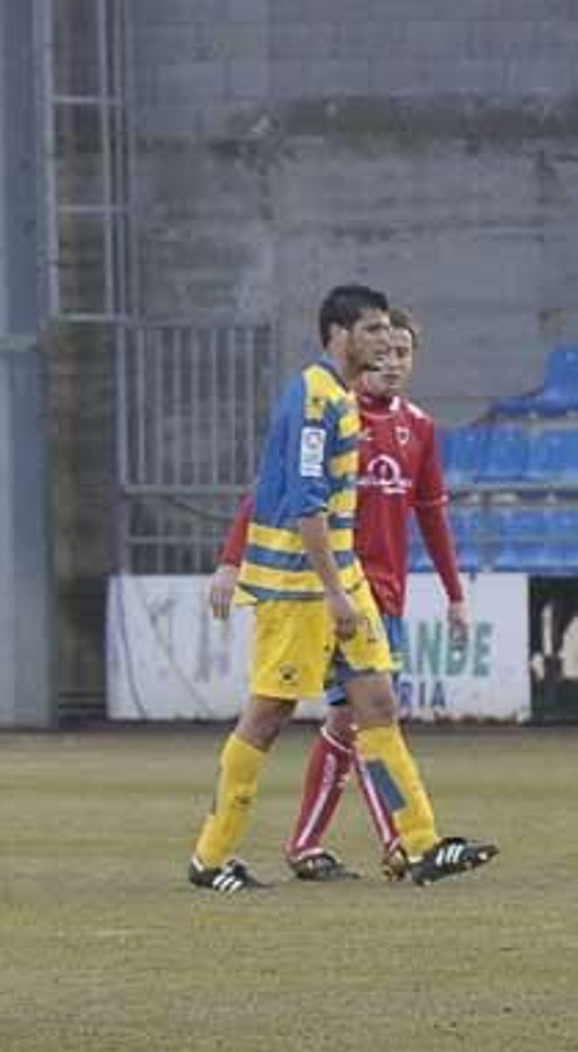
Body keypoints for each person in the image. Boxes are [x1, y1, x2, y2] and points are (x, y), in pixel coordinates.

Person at [188, 284, 496, 893]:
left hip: (343, 579)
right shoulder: (315, 399)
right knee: (269, 715)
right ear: (341, 334)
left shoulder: (346, 402)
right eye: (375, 330)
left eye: (390, 332)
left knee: (377, 705)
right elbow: (304, 503)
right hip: (300, 587)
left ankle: (421, 842)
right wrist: (332, 590)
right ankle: (210, 856)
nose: (387, 342)